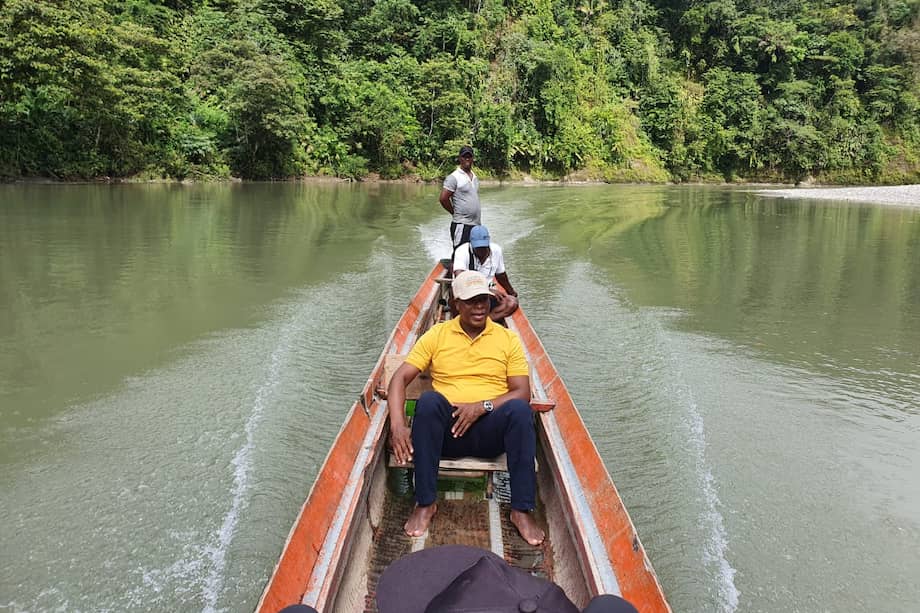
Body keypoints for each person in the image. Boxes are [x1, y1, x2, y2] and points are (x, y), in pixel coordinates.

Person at [387, 270, 544, 546]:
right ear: (456, 303)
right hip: (446, 433)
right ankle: (425, 503)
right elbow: (399, 378)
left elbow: (522, 392)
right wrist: (397, 424)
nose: (480, 307)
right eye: (471, 301)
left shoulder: (507, 340)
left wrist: (481, 406)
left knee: (520, 412)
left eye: (484, 300)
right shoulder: (438, 335)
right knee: (428, 402)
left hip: (490, 431)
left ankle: (521, 510)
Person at [452, 225, 519, 320]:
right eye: (477, 247)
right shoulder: (462, 251)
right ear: (471, 242)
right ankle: (470, 320)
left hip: (486, 295)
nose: (481, 250)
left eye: (483, 246)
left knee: (512, 303)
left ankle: (485, 321)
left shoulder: (496, 250)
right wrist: (487, 290)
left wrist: (511, 292)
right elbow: (460, 277)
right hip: (466, 293)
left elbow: (501, 275)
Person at [439, 145, 481, 250]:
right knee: (459, 254)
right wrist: (454, 212)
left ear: (473, 158)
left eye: (469, 156)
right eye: (464, 156)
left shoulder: (474, 177)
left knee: (473, 254)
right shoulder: (454, 177)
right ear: (459, 158)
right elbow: (443, 199)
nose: (467, 158)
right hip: (461, 225)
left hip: (476, 224)